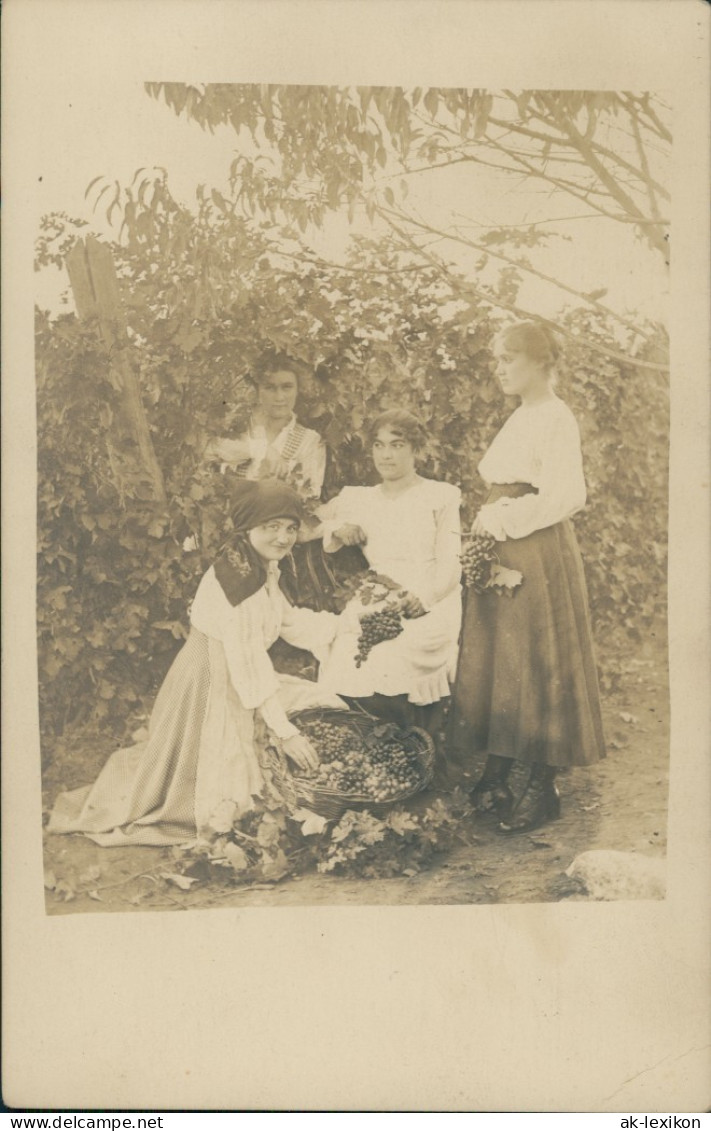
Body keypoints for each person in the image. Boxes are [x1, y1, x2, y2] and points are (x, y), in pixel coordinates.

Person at [47, 480, 354, 847]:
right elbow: (249, 664)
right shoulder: (237, 582)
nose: (282, 537)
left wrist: (346, 625)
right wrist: (285, 732)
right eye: (271, 527)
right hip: (210, 679)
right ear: (248, 528)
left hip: (233, 672)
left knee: (298, 715)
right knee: (226, 803)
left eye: (289, 528)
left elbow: (284, 620)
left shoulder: (259, 565)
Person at [448, 320, 606, 834]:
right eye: (496, 359)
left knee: (536, 661)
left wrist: (504, 518)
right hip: (505, 546)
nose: (499, 368)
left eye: (508, 359)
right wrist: (489, 524)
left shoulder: (555, 417)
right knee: (503, 658)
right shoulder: (522, 415)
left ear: (540, 362)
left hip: (535, 551)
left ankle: (541, 785)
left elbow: (566, 495)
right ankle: (498, 771)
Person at [315, 409, 462, 741]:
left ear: (416, 449)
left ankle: (413, 744)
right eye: (379, 446)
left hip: (430, 600)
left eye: (397, 445)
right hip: (377, 597)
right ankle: (369, 749)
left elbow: (451, 564)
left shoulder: (440, 496)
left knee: (394, 651)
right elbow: (306, 526)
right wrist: (339, 527)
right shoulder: (359, 499)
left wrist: (425, 599)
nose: (386, 454)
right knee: (348, 648)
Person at [203, 352, 327, 500]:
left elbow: (309, 496)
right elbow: (209, 451)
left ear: (298, 390)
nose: (279, 397)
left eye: (287, 387)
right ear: (257, 391)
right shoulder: (237, 428)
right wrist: (263, 450)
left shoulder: (310, 441)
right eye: (270, 387)